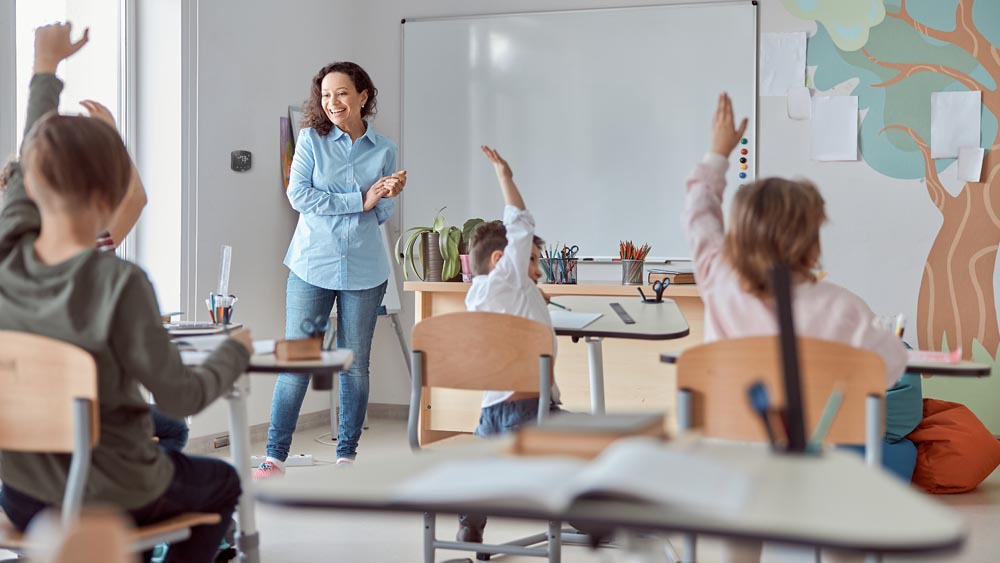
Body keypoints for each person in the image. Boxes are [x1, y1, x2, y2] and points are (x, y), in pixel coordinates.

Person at [0, 23, 253, 563]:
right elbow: (180, 398)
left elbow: (30, 158)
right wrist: (234, 353)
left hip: (22, 495)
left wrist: (46, 67)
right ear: (111, 195)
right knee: (224, 482)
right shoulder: (118, 283)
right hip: (115, 489)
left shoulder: (7, 255)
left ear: (28, 185)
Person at [683, 93, 910, 563]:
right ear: (812, 242)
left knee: (742, 508)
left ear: (737, 237)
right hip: (817, 470)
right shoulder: (844, 309)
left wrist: (718, 154)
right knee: (846, 515)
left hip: (734, 470)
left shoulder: (718, 284)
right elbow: (890, 370)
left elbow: (699, 215)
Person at [254, 61, 406, 479]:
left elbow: (382, 214)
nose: (332, 102)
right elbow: (299, 196)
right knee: (297, 363)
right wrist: (361, 200)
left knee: (355, 367)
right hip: (312, 265)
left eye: (341, 93)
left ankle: (346, 459)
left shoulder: (384, 149)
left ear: (362, 96)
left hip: (365, 268)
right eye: (325, 95)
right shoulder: (310, 140)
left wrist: (386, 195)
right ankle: (274, 458)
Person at [457, 145, 562, 545]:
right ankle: (589, 520)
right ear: (502, 260)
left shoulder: (482, 295)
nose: (536, 271)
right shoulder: (509, 279)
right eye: (530, 261)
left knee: (481, 473)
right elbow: (519, 222)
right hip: (530, 411)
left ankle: (469, 525)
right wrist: (506, 177)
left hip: (490, 414)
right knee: (588, 443)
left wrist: (533, 294)